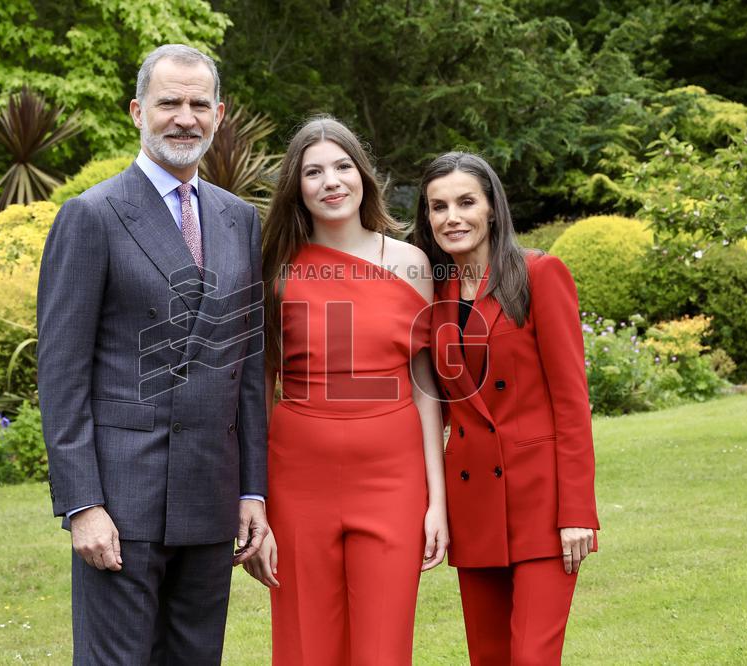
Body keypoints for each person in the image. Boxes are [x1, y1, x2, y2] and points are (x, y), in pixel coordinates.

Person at [37, 44, 268, 665]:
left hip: (210, 497)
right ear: (138, 111)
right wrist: (83, 505)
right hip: (121, 502)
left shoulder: (237, 218)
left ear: (218, 114)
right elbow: (61, 376)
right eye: (169, 103)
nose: (184, 117)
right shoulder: (91, 215)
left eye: (198, 104)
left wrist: (253, 491)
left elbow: (246, 370)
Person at [243, 116, 449, 665]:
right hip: (297, 477)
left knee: (384, 645)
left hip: (393, 476)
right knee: (307, 643)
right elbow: (260, 387)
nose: (330, 181)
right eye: (313, 172)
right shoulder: (275, 269)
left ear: (363, 176)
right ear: (297, 187)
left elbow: (426, 384)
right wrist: (254, 501)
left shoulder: (411, 263)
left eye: (342, 166)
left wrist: (437, 502)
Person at [411, 152, 600, 665]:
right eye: (438, 206)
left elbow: (572, 404)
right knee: (488, 657)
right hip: (473, 506)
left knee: (533, 656)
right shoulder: (434, 292)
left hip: (541, 504)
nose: (452, 217)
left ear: (492, 208)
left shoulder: (541, 274)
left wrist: (577, 512)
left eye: (466, 202)